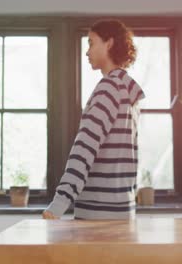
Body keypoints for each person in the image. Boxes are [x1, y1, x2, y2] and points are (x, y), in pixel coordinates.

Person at [43, 20, 145, 220]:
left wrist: (58, 204)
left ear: (109, 44)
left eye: (91, 43)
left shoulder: (108, 89)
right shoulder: (127, 92)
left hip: (98, 213)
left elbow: (84, 148)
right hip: (123, 211)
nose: (86, 52)